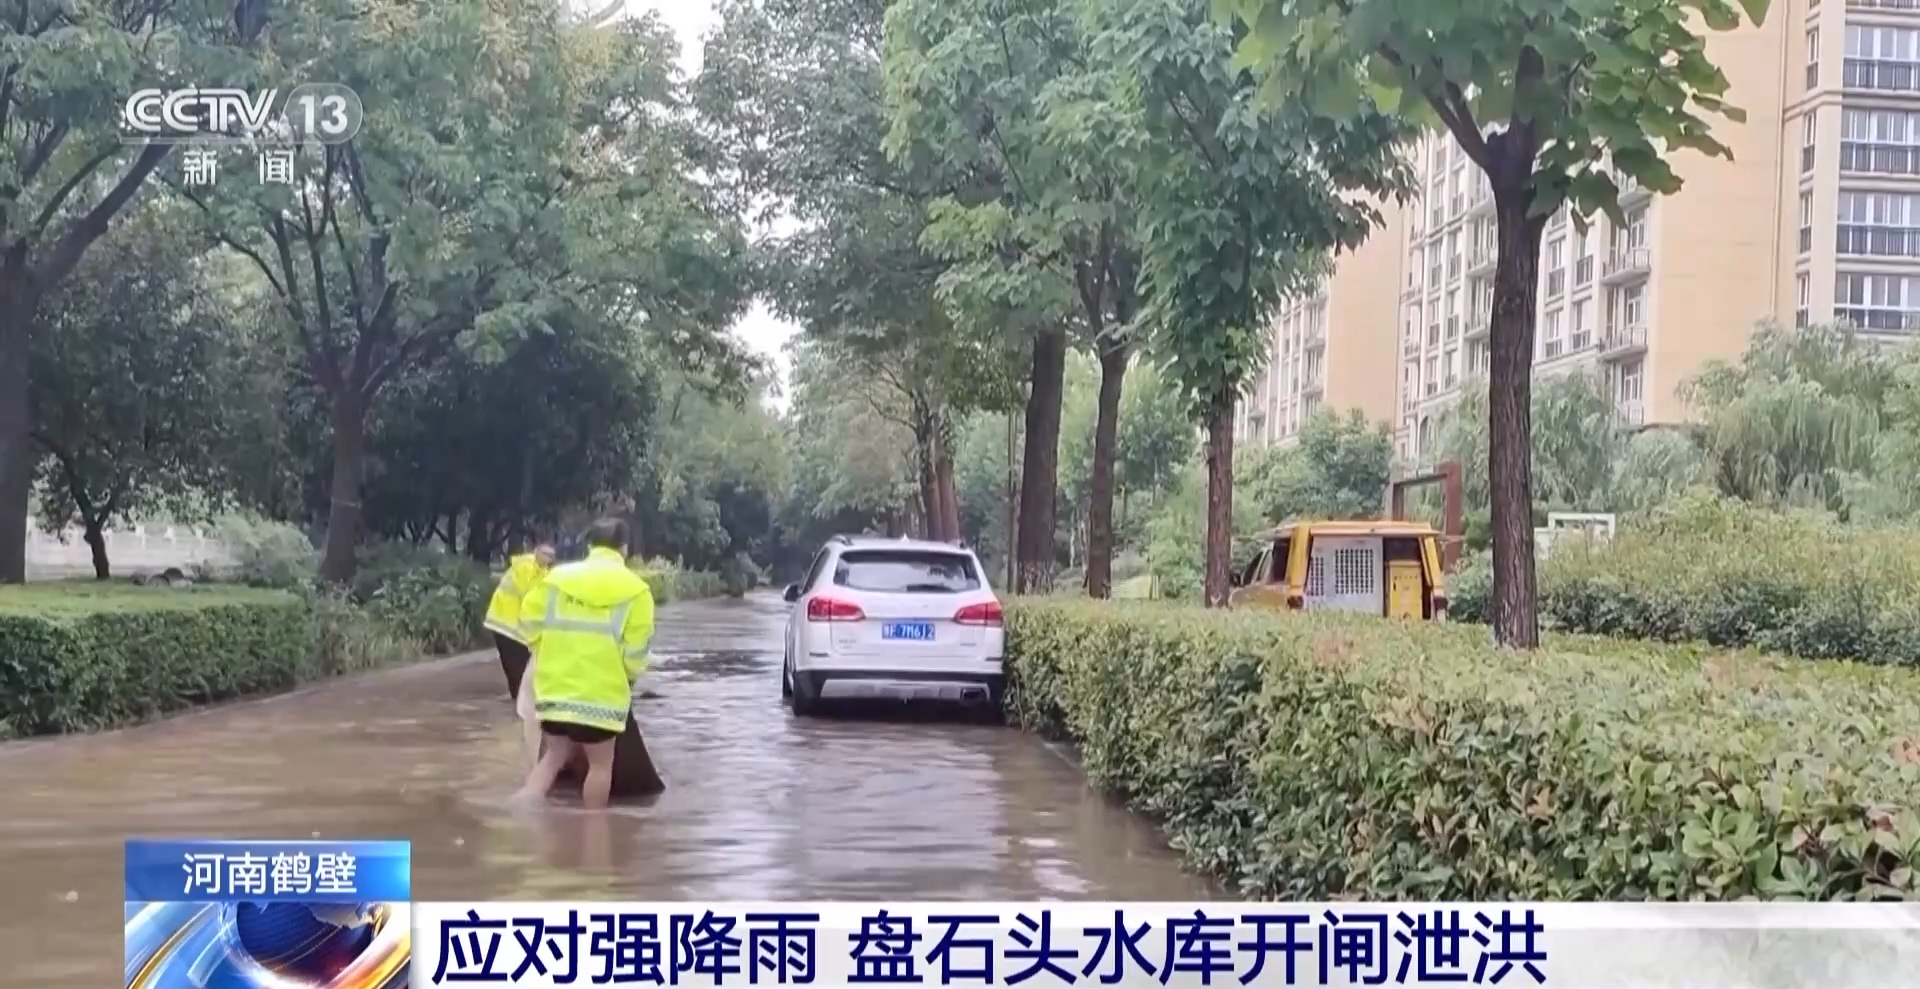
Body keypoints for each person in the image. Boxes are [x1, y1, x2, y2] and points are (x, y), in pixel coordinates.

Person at [514, 518, 654, 810]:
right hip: (601, 698)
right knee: (600, 766)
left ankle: (520, 815)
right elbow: (636, 652)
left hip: (554, 690)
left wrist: (544, 651)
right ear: (624, 548)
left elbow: (528, 622)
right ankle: (594, 829)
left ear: (590, 545)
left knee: (552, 758)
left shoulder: (555, 579)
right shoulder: (637, 591)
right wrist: (627, 678)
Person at [483, 541, 555, 768]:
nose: (548, 558)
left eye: (551, 556)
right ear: (536, 552)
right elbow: (533, 600)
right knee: (518, 670)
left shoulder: (543, 572)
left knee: (520, 671)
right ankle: (520, 711)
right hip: (506, 625)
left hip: (515, 629)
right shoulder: (526, 567)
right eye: (545, 554)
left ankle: (519, 707)